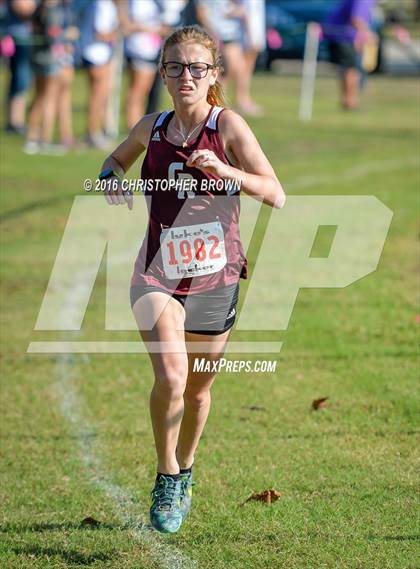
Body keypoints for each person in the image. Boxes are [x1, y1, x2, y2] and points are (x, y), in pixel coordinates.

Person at [98, 25, 285, 534]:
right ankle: (166, 475)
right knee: (172, 378)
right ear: (162, 74)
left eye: (196, 68)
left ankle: (186, 468)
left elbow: (276, 193)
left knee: (199, 391)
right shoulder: (151, 127)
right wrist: (110, 179)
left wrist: (230, 174)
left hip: (216, 278)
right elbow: (112, 163)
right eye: (175, 67)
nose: (186, 76)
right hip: (157, 274)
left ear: (213, 75)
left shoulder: (228, 127)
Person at [324, 0, 378, 109]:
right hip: (343, 36)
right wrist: (368, 34)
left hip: (342, 35)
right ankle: (350, 101)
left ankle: (348, 100)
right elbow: (356, 19)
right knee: (351, 69)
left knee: (348, 69)